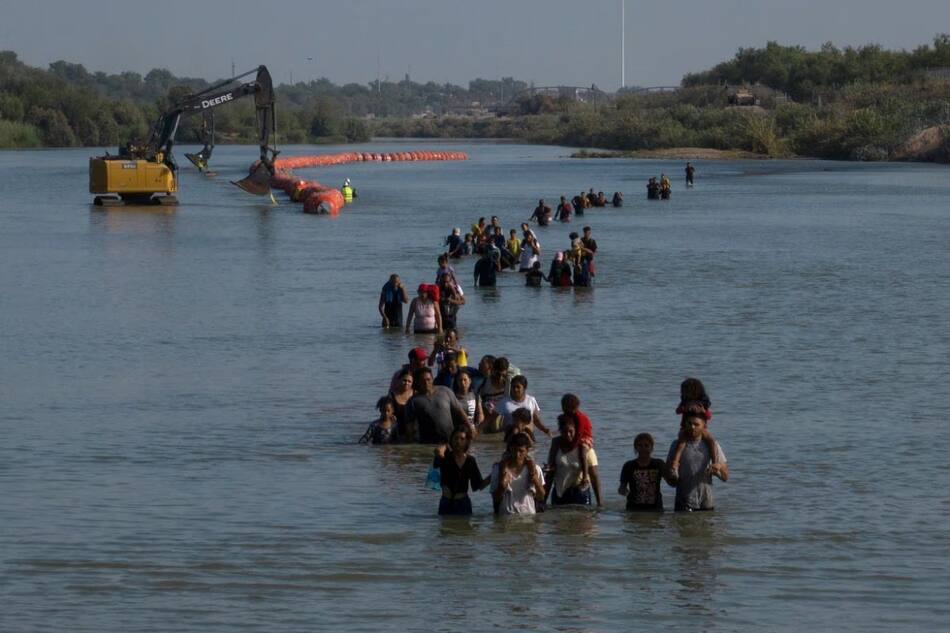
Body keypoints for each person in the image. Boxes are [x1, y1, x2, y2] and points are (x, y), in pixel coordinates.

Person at [667, 409, 728, 511]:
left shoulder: (713, 445)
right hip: (683, 504)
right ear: (684, 424)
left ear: (704, 426)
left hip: (706, 504)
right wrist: (673, 474)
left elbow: (725, 477)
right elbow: (671, 482)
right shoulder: (676, 445)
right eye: (689, 423)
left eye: (696, 424)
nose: (692, 427)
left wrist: (717, 471)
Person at [545, 414, 603, 507]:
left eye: (571, 431)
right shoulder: (556, 449)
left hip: (580, 494)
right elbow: (550, 475)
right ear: (560, 432)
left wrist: (600, 503)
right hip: (559, 494)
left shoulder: (586, 449)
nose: (568, 435)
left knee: (582, 520)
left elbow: (594, 477)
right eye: (564, 432)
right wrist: (542, 501)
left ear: (576, 431)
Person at [433, 427, 490, 515]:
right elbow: (438, 452)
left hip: (463, 504)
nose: (458, 441)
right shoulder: (445, 457)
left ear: (467, 442)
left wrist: (494, 475)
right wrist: (445, 446)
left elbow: (479, 485)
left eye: (462, 439)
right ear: (451, 440)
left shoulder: (470, 461)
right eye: (455, 438)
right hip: (446, 502)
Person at [407, 366, 470, 444]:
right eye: (422, 381)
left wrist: (470, 427)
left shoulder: (445, 391)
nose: (426, 383)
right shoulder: (413, 401)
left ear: (432, 379)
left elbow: (460, 411)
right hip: (427, 443)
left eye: (428, 379)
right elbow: (409, 427)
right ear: (418, 382)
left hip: (451, 440)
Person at [491, 433, 546, 515]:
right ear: (510, 449)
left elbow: (541, 496)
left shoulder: (535, 469)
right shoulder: (498, 469)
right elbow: (495, 498)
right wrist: (502, 484)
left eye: (521, 451)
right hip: (506, 518)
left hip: (528, 517)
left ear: (527, 451)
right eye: (514, 450)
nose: (517, 455)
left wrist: (534, 479)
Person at [619, 433, 676, 511]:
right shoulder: (629, 466)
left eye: (646, 445)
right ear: (635, 447)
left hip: (656, 509)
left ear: (651, 448)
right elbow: (622, 486)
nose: (643, 448)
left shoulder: (658, 464)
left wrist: (673, 473)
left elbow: (671, 483)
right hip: (634, 509)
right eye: (640, 445)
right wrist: (623, 491)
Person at [669, 378, 715, 473]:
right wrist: (683, 408)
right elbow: (677, 411)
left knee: (711, 441)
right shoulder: (685, 403)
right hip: (685, 428)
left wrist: (703, 411)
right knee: (681, 442)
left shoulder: (702, 403)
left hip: (702, 429)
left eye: (684, 391)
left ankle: (715, 462)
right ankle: (675, 463)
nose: (682, 393)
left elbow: (709, 416)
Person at [477, 356, 513, 433]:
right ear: (493, 371)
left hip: (502, 410)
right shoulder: (486, 382)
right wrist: (480, 412)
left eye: (503, 375)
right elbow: (478, 397)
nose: (500, 378)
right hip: (488, 410)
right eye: (498, 374)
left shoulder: (509, 381)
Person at [388, 368, 414, 438]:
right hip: (397, 429)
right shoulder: (392, 395)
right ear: (399, 380)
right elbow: (387, 411)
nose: (407, 383)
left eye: (409, 381)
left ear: (412, 383)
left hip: (412, 430)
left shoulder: (415, 394)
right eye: (404, 380)